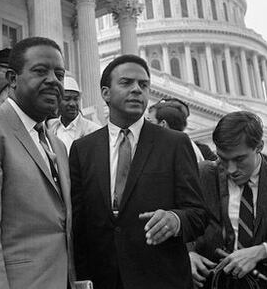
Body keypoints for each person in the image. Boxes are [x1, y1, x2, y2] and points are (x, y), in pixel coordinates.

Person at [70, 54, 208, 289]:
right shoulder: (83, 148)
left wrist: (175, 220)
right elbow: (79, 223)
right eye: (126, 83)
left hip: (161, 278)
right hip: (103, 278)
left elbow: (198, 214)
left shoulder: (175, 144)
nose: (136, 90)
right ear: (105, 93)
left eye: (143, 85)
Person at [0, 37, 75, 289]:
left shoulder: (58, 145)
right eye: (40, 71)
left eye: (59, 74)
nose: (53, 80)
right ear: (12, 79)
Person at [189, 111, 267, 289]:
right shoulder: (202, 174)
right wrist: (188, 254)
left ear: (259, 146)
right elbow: (183, 219)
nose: (230, 169)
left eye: (239, 159)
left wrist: (262, 251)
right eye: (223, 159)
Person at [47, 76, 101, 153]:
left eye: (76, 99)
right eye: (67, 99)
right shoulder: (51, 127)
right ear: (57, 101)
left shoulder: (94, 130)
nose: (72, 104)